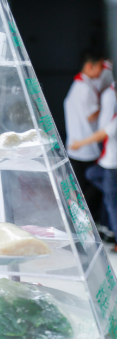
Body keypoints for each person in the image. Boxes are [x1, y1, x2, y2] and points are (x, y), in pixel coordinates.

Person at [70, 90, 117, 249]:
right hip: (107, 162)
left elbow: (103, 133)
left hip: (112, 164)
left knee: (112, 204)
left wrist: (79, 144)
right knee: (92, 175)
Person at [65, 49, 105, 220]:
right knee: (92, 188)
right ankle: (82, 219)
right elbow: (91, 115)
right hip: (84, 147)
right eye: (101, 67)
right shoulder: (85, 88)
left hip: (76, 144)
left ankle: (80, 218)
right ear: (90, 66)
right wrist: (106, 105)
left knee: (81, 187)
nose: (103, 71)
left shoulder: (79, 85)